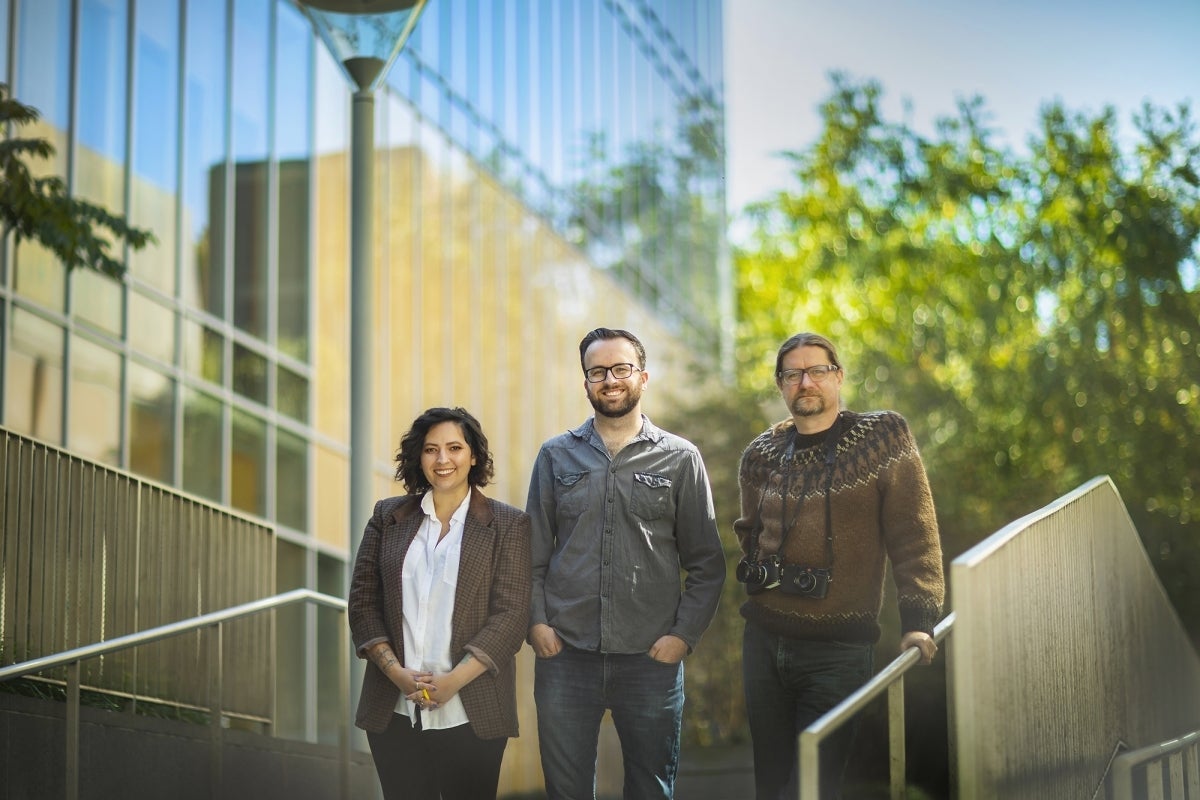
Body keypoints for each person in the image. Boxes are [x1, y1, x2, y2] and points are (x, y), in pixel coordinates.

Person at [735, 333, 945, 800]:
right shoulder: (761, 455)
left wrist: (919, 620)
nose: (805, 382)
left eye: (817, 370)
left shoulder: (882, 437)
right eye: (792, 374)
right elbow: (749, 531)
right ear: (780, 385)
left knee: (816, 787)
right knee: (771, 786)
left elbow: (914, 532)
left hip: (838, 651)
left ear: (839, 376)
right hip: (763, 645)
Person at [526, 327, 727, 800]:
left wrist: (683, 636)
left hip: (650, 660)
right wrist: (536, 623)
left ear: (642, 376)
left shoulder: (681, 459)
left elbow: (707, 564)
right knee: (566, 791)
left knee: (651, 790)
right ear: (586, 383)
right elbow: (530, 554)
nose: (610, 379)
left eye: (620, 368)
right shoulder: (555, 455)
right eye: (597, 372)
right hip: (566, 653)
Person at [349, 406, 532, 800]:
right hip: (394, 708)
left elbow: (511, 615)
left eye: (454, 447)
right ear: (419, 457)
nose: (443, 459)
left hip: (473, 710)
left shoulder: (507, 524)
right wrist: (395, 672)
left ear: (474, 456)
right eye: (431, 450)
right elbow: (363, 603)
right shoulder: (388, 516)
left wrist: (452, 682)